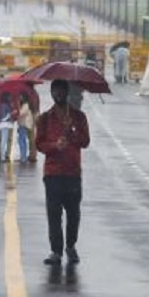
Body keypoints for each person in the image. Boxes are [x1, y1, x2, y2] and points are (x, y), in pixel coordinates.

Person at [36, 79, 91, 265]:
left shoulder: (79, 117)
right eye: (55, 91)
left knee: (73, 213)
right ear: (51, 93)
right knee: (54, 214)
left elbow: (85, 141)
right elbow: (39, 144)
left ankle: (71, 246)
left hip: (73, 173)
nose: (58, 94)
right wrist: (54, 146)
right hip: (52, 173)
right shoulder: (44, 118)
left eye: (61, 91)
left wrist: (72, 131)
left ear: (67, 93)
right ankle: (56, 251)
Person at [0, 92, 16, 162]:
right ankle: (3, 157)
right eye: (9, 97)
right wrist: (12, 113)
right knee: (4, 140)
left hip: (2, 124)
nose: (10, 98)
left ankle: (2, 156)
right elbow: (4, 117)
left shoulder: (1, 105)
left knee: (3, 140)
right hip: (5, 124)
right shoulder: (5, 106)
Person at [16, 93, 34, 163]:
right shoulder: (23, 105)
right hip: (22, 125)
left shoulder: (26, 105)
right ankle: (22, 156)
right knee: (21, 141)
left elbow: (21, 113)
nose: (19, 98)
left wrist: (17, 106)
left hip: (24, 125)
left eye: (20, 97)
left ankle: (23, 157)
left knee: (22, 141)